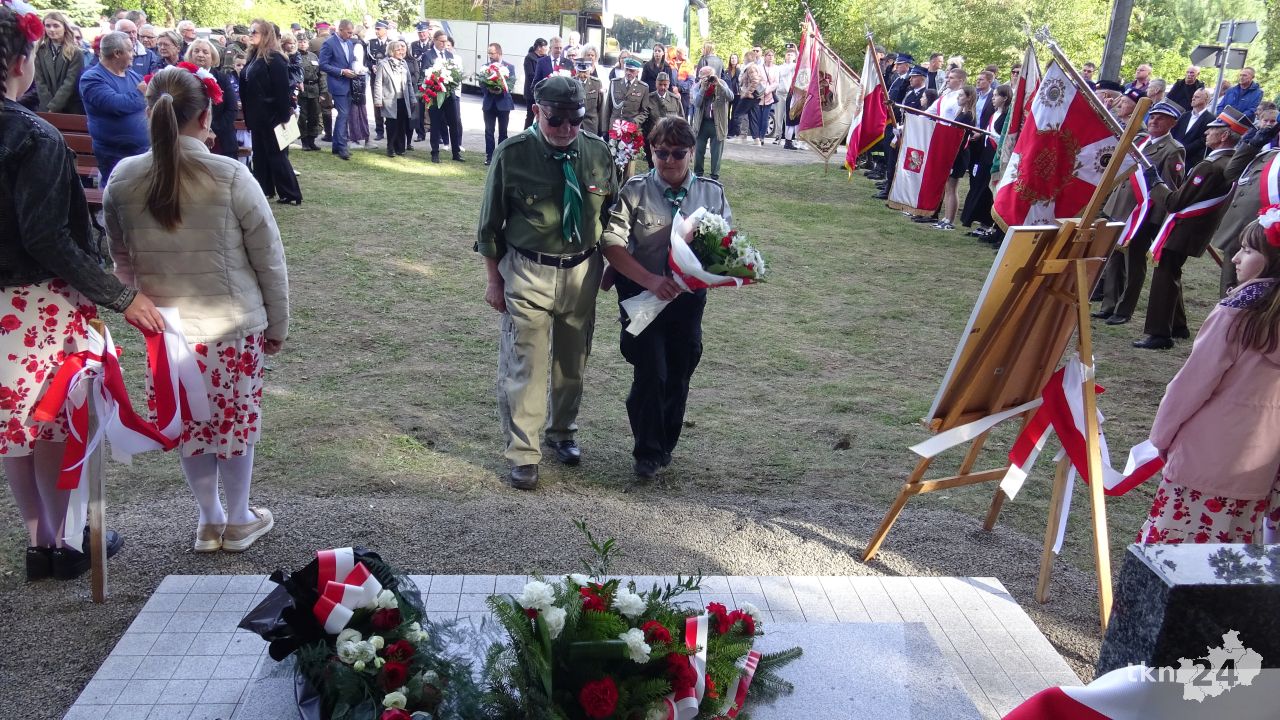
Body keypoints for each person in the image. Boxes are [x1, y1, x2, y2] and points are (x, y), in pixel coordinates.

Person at [105, 65, 289, 553]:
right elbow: (269, 258)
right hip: (231, 329)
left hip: (167, 333)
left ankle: (210, 519)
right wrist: (277, 323)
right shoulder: (229, 175)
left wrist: (140, 301)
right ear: (206, 115)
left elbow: (120, 257)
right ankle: (239, 516)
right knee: (234, 424)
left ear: (150, 112)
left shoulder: (123, 178)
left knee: (191, 427)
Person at [2, 1, 156, 581]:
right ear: (20, 61)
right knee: (53, 421)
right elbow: (47, 236)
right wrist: (122, 296)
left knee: (15, 428)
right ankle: (64, 540)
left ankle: (40, 541)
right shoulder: (30, 134)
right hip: (35, 304)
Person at [476, 75, 618, 490]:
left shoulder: (597, 152)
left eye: (575, 119)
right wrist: (493, 281)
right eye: (556, 120)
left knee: (572, 361)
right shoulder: (513, 154)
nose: (566, 129)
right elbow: (489, 227)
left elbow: (612, 214)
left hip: (582, 271)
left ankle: (562, 432)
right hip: (528, 270)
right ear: (537, 111)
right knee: (527, 362)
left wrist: (612, 265)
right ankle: (524, 453)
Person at [600, 116, 729, 479]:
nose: (669, 160)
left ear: (692, 152)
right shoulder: (636, 190)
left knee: (679, 370)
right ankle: (647, 451)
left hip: (687, 298)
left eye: (677, 153)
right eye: (661, 153)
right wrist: (651, 280)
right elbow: (611, 244)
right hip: (642, 294)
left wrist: (705, 268)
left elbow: (724, 244)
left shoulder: (711, 193)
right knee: (651, 370)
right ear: (651, 152)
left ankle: (664, 442)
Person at [1137, 218, 1280, 545]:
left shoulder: (1237, 314)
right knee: (1230, 557)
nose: (1236, 258)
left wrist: (1161, 436)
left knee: (1171, 553)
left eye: (1247, 250)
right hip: (1258, 467)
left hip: (1203, 458)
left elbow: (1192, 384)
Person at [1134, 110, 1242, 350]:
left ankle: (1159, 334)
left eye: (1212, 129)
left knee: (1164, 275)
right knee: (1172, 272)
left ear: (1224, 135)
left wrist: (1155, 181)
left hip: (1185, 227)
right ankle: (1178, 325)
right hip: (1195, 228)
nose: (1206, 132)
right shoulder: (1227, 162)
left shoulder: (1210, 166)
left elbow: (1174, 202)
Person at [1095, 100, 1186, 325]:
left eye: (1161, 118)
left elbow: (1168, 187)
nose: (1154, 120)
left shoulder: (1173, 149)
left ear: (1172, 123)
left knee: (1133, 264)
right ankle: (1108, 305)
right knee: (1113, 258)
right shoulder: (1140, 141)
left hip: (1142, 214)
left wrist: (1155, 220)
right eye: (1152, 116)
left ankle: (1124, 310)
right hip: (1120, 206)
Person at [1211, 115, 1277, 296]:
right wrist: (1252, 145)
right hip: (1238, 233)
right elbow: (1231, 173)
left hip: (1266, 241)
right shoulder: (1268, 155)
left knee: (1256, 294)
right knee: (1228, 289)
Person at [240, 19, 302, 205]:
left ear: (266, 35)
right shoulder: (254, 57)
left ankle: (291, 193)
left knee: (276, 155)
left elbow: (281, 90)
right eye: (250, 31)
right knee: (260, 155)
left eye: (255, 32)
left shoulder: (275, 58)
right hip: (257, 115)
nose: (251, 34)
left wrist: (283, 116)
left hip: (272, 115)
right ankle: (264, 189)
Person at [78, 30, 147, 183]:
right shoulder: (92, 78)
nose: (134, 54)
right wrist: (141, 94)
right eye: (130, 50)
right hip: (115, 156)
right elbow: (116, 105)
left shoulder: (133, 75)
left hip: (143, 153)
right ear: (117, 53)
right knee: (118, 194)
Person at [185, 39, 239, 160]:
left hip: (222, 139)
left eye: (205, 52)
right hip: (191, 140)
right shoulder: (184, 78)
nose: (200, 55)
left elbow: (232, 110)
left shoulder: (222, 79)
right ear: (190, 55)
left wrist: (211, 130)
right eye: (196, 51)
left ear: (213, 57)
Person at [934, 85, 977, 231]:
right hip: (954, 152)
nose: (958, 98)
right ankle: (946, 217)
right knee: (948, 187)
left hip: (960, 154)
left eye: (961, 96)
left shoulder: (968, 116)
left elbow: (961, 137)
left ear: (969, 98)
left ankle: (950, 220)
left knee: (952, 188)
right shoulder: (961, 113)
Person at [319, 19, 356, 160]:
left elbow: (350, 61)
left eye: (352, 33)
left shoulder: (350, 43)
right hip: (337, 84)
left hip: (349, 83)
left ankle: (336, 146)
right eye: (348, 32)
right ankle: (342, 146)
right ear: (340, 30)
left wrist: (356, 69)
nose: (351, 35)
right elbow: (323, 65)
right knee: (343, 114)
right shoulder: (329, 43)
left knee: (344, 115)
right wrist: (341, 71)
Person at [34, 11, 83, 113]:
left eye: (56, 26)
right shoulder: (39, 51)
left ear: (64, 28)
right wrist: (47, 107)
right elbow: (39, 81)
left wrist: (53, 106)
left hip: (69, 109)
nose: (51, 29)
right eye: (48, 26)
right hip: (45, 107)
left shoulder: (75, 52)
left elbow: (70, 83)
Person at [373, 40, 415, 157]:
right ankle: (390, 147)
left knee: (402, 124)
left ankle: (400, 148)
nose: (401, 52)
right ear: (392, 51)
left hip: (403, 98)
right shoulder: (383, 64)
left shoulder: (404, 63)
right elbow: (378, 83)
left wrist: (412, 98)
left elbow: (409, 83)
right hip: (390, 99)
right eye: (398, 50)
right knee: (392, 124)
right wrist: (377, 100)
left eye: (402, 49)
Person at [691, 65, 732, 181]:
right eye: (704, 77)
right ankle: (698, 174)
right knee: (699, 151)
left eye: (709, 76)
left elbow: (731, 97)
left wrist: (718, 84)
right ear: (700, 78)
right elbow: (697, 103)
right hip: (702, 123)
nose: (708, 79)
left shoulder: (722, 83)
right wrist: (703, 89)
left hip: (717, 123)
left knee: (716, 152)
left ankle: (714, 176)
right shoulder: (697, 86)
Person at [480, 42, 514, 165]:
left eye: (492, 53)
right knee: (489, 131)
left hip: (503, 104)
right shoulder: (484, 67)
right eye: (489, 53)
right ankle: (489, 157)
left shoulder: (509, 67)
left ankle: (501, 157)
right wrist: (489, 89)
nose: (490, 56)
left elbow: (510, 84)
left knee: (503, 132)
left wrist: (501, 90)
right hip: (489, 104)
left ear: (499, 53)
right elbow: (481, 84)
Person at [1172, 87, 1213, 166]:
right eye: (1193, 96)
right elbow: (1174, 132)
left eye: (1197, 97)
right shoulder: (1184, 115)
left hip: (1192, 160)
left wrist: (1183, 150)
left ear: (1206, 100)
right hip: (1174, 155)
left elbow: (1203, 140)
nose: (1193, 98)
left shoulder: (1210, 119)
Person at [297, 34, 322, 150]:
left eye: (304, 42)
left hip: (314, 89)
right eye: (300, 42)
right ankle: (304, 141)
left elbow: (320, 74)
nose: (302, 44)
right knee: (302, 117)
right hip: (302, 89)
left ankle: (312, 140)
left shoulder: (314, 56)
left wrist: (323, 91)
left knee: (314, 116)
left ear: (308, 44)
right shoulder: (294, 57)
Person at [347, 31, 370, 149]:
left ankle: (362, 138)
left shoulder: (357, 44)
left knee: (359, 110)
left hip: (358, 80)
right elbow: (356, 67)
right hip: (355, 80)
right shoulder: (357, 45)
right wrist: (365, 69)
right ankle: (355, 138)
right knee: (355, 111)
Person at [575, 48, 605, 136]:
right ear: (576, 70)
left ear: (590, 71)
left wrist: (601, 129)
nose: (582, 75)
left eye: (585, 72)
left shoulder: (596, 83)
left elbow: (601, 107)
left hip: (591, 126)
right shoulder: (571, 83)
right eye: (580, 71)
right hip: (575, 125)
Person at [738, 50, 765, 145]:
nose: (743, 59)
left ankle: (739, 136)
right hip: (754, 95)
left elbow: (755, 80)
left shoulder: (751, 67)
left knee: (738, 113)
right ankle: (756, 139)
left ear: (748, 58)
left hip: (750, 95)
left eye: (745, 58)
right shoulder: (753, 67)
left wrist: (748, 92)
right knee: (753, 117)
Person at [367, 19, 388, 141]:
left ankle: (390, 127)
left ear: (385, 30)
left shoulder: (391, 43)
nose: (377, 31)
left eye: (379, 29)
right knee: (377, 104)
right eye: (376, 29)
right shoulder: (371, 43)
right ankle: (379, 130)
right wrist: (372, 66)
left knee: (389, 103)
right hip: (375, 78)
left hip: (388, 78)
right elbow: (367, 60)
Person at [522, 37, 546, 128]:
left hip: (542, 92)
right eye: (545, 47)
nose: (546, 49)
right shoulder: (529, 58)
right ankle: (526, 133)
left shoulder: (545, 58)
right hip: (531, 91)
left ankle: (539, 132)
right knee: (530, 115)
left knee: (542, 115)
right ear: (539, 47)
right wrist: (542, 79)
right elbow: (530, 75)